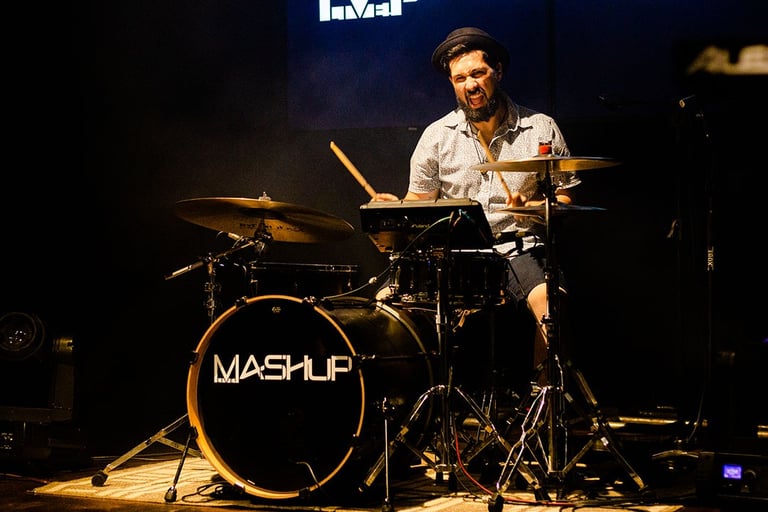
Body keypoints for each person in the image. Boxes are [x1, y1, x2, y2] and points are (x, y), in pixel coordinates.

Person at [373, 27, 580, 376]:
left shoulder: (540, 128)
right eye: (460, 78)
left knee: (551, 307)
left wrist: (530, 208)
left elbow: (565, 196)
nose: (470, 85)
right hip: (455, 252)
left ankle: (543, 398)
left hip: (519, 248)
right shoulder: (437, 137)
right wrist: (393, 213)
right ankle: (406, 398)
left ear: (497, 72)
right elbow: (419, 204)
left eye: (477, 74)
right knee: (384, 306)